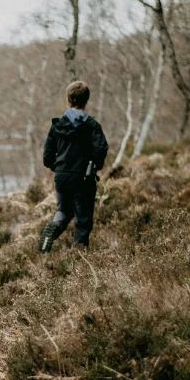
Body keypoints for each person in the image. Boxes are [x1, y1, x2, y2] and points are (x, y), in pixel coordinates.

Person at [39, 80, 108, 252]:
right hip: (83, 178)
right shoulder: (92, 125)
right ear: (86, 101)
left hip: (62, 177)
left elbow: (47, 157)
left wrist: (60, 167)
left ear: (68, 100)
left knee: (63, 212)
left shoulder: (57, 126)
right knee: (83, 221)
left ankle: (51, 231)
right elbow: (101, 148)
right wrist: (93, 165)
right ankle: (77, 259)